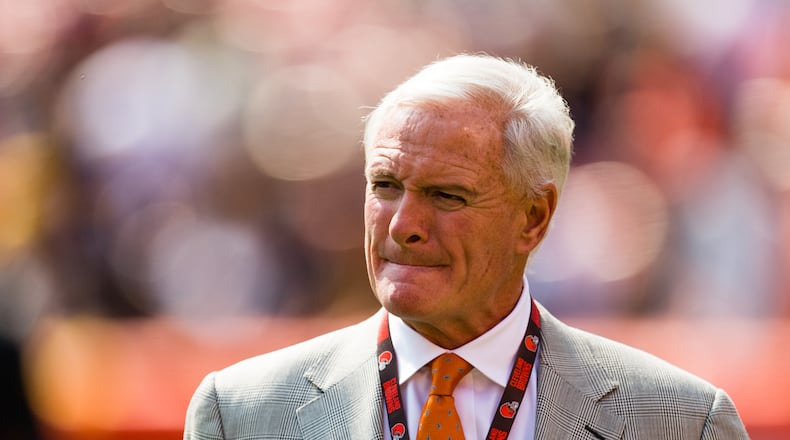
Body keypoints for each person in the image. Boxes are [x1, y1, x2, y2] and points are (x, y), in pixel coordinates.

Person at [183, 54, 748, 439]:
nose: (403, 225)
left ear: (534, 217)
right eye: (385, 186)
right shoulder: (241, 414)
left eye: (446, 195)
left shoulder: (681, 421)